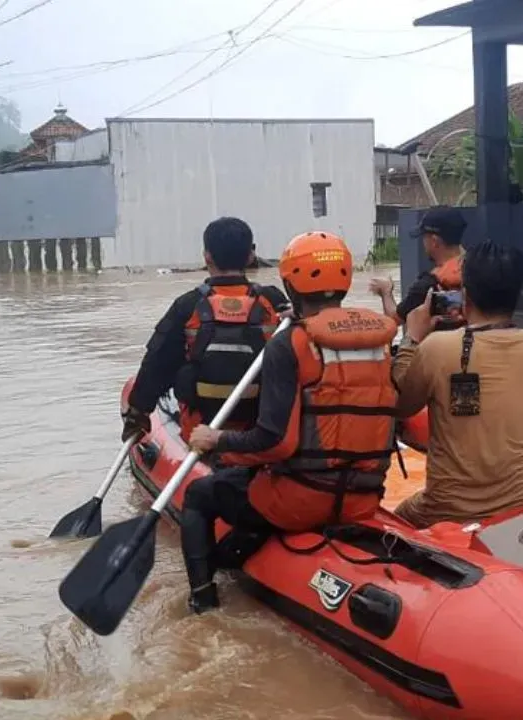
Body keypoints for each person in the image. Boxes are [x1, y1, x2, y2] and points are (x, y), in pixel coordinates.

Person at [175, 230, 399, 613]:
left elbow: (275, 442)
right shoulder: (380, 341)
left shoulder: (289, 344)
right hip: (363, 498)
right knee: (248, 483)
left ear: (290, 281)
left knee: (200, 495)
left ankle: (202, 599)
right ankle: (235, 561)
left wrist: (217, 440)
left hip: (299, 502)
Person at [391, 242, 523, 528]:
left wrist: (412, 337)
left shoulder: (438, 348)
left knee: (392, 524)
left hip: (445, 510)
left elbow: (398, 404)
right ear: (519, 293)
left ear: (464, 293)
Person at [122, 217, 289, 444]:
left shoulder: (187, 305)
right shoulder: (274, 300)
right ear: (251, 256)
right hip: (262, 428)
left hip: (200, 429)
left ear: (206, 255)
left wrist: (137, 412)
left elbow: (157, 363)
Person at [368, 206, 467, 324]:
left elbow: (394, 318)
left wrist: (386, 292)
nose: (423, 243)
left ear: (434, 241)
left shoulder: (428, 285)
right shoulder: (480, 271)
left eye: (424, 237)